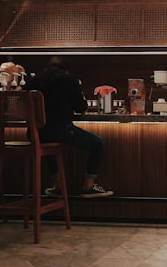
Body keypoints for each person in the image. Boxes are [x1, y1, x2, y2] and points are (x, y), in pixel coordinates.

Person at [25, 56, 113, 198]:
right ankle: (88, 185)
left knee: (46, 142)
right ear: (66, 70)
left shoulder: (33, 81)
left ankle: (58, 184)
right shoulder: (69, 80)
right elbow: (80, 108)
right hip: (61, 131)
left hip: (35, 134)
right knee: (98, 143)